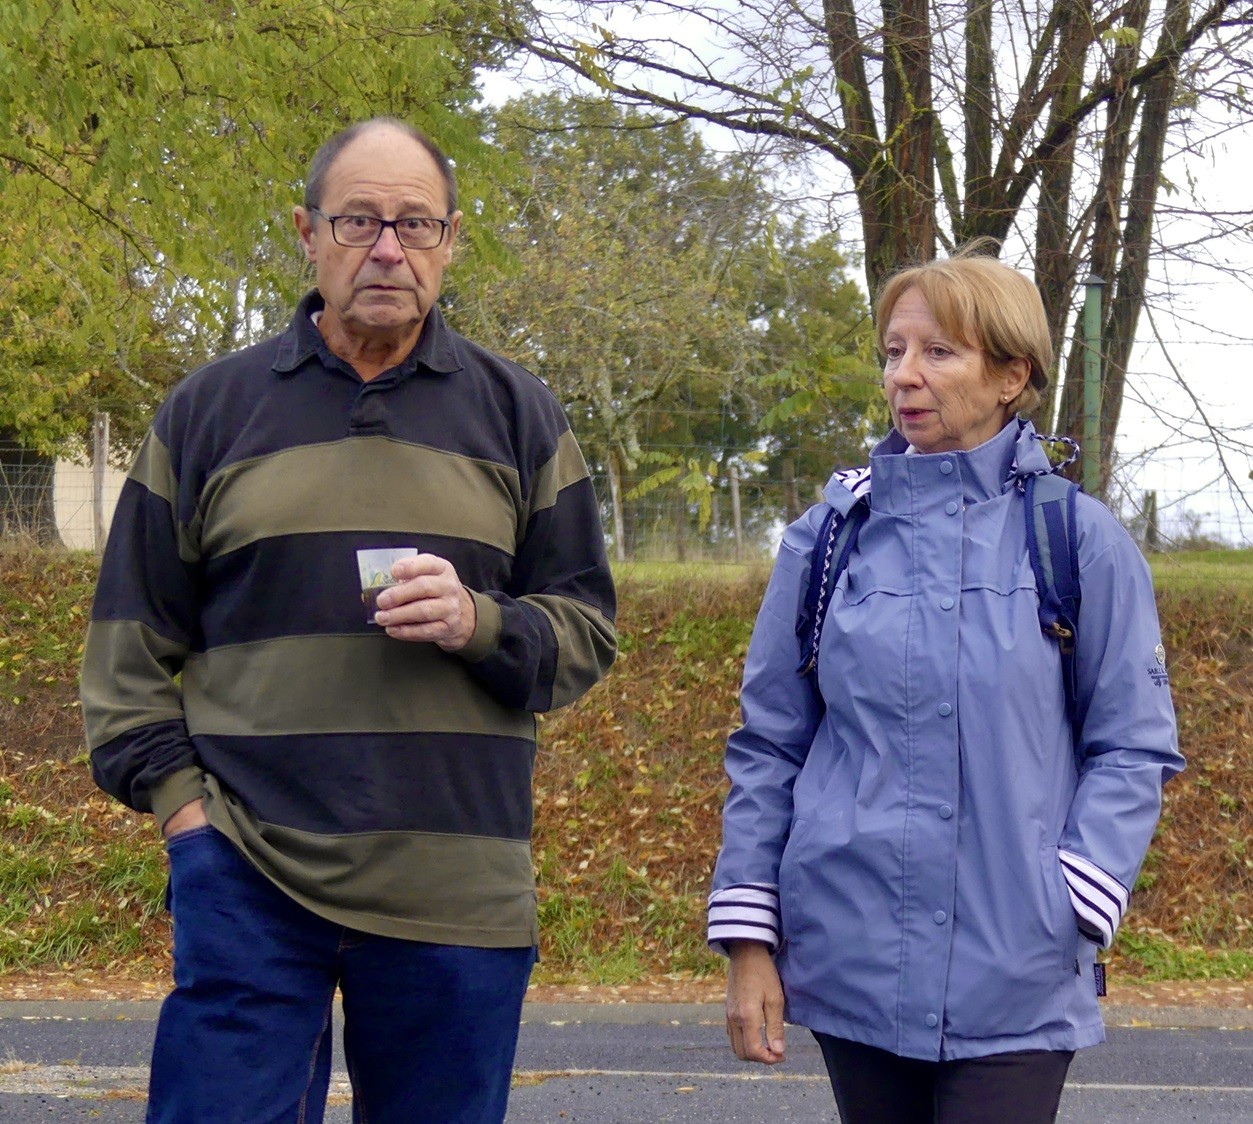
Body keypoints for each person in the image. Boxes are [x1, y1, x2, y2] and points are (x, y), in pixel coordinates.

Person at [80, 118, 616, 1123]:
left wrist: (480, 623)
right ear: (306, 232)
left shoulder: (518, 414)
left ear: (450, 241)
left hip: (455, 889)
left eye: (415, 225)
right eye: (357, 219)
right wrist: (190, 824)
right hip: (248, 875)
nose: (386, 249)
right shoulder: (207, 413)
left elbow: (586, 629)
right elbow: (127, 655)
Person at [707, 249, 1182, 1124]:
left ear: (1011, 374)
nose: (904, 377)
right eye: (893, 352)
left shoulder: (1077, 541)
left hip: (1018, 967)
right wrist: (750, 941)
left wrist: (1073, 896)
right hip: (851, 952)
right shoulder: (826, 541)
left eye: (938, 353)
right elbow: (769, 745)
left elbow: (1132, 742)